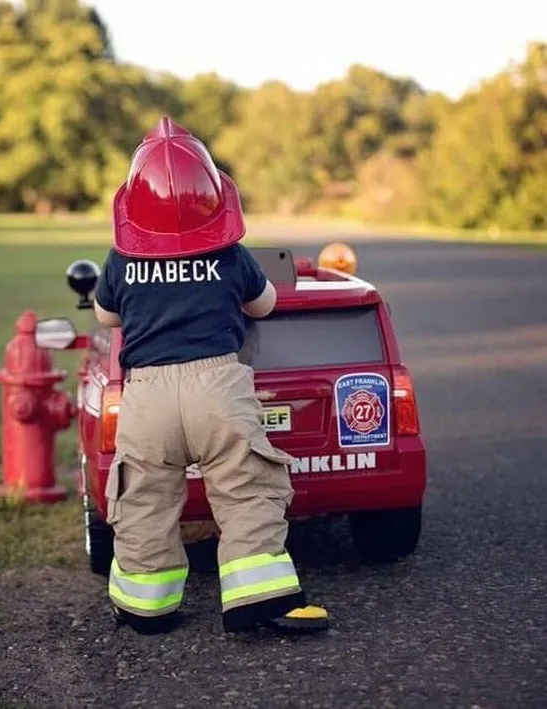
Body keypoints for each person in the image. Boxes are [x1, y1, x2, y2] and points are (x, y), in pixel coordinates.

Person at [93, 116, 330, 636]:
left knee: (145, 497)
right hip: (217, 388)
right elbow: (263, 304)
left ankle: (145, 606)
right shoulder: (230, 254)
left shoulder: (122, 260)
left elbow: (106, 316)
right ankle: (258, 598)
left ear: (133, 205)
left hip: (147, 395)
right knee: (247, 487)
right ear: (215, 199)